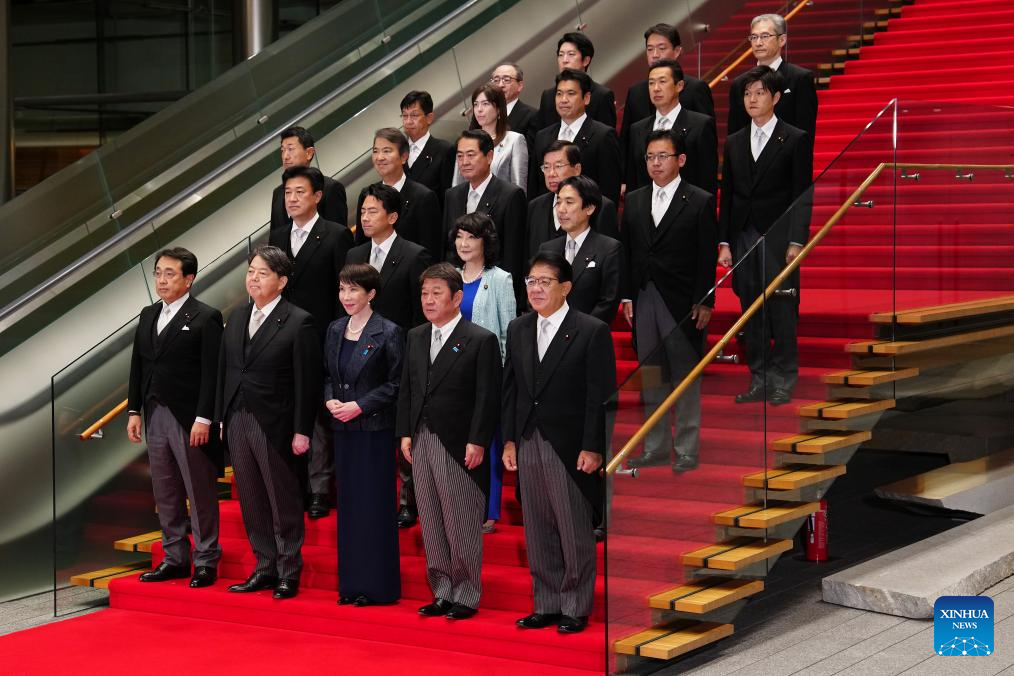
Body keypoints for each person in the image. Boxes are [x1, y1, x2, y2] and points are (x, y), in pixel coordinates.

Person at [503, 252, 616, 634]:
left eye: (544, 282)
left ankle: (575, 606)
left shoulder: (590, 330)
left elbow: (600, 396)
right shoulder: (518, 328)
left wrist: (593, 446)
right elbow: (511, 391)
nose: (535, 289)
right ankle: (546, 602)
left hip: (570, 445)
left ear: (566, 287)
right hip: (528, 439)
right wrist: (509, 440)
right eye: (531, 281)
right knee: (537, 528)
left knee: (572, 528)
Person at [396, 263, 502, 620]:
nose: (428, 300)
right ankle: (441, 589)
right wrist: (405, 432)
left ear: (457, 298)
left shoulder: (480, 339)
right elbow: (408, 388)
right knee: (430, 518)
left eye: (436, 293)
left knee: (460, 521)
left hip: (459, 442)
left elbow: (488, 396)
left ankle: (466, 593)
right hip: (421, 437)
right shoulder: (416, 336)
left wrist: (478, 440)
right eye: (424, 293)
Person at [216, 245, 322, 600]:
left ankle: (288, 570)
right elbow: (225, 371)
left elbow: (307, 383)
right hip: (237, 417)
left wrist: (302, 430)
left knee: (282, 498)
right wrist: (221, 416)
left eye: (262, 273)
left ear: (282, 281)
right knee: (251, 498)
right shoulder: (236, 317)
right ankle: (264, 566)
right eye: (251, 272)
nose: (254, 279)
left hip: (277, 422)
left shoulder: (299, 321)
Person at [622, 130, 717, 473]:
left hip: (683, 300)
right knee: (651, 376)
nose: (656, 163)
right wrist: (627, 295)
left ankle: (687, 449)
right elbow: (628, 250)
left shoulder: (699, 200)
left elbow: (706, 256)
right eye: (650, 157)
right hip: (644, 296)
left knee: (685, 376)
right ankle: (656, 447)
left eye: (663, 156)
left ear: (681, 160)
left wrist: (705, 300)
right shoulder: (635, 200)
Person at [127, 247, 222, 589]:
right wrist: (134, 410)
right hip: (155, 412)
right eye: (158, 273)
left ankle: (206, 560)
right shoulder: (148, 314)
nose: (162, 280)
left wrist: (205, 417)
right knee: (165, 489)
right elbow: (138, 365)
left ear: (189, 279)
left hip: (190, 417)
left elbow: (212, 374)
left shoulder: (205, 317)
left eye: (170, 274)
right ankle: (175, 558)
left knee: (199, 491)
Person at [719, 66, 812, 407]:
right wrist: (724, 242)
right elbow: (729, 195)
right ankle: (759, 378)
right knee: (751, 310)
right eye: (747, 94)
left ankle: (784, 379)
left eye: (759, 93)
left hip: (779, 236)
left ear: (775, 97)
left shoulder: (795, 138)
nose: (752, 99)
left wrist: (797, 240)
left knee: (782, 309)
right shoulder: (734, 141)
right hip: (744, 234)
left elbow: (802, 194)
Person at [268, 165, 354, 519]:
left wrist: (338, 337)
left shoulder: (335, 234)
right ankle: (294, 485)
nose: (292, 199)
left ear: (318, 196)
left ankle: (320, 488)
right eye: (288, 193)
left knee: (317, 413)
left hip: (321, 336)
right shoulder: (277, 236)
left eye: (300, 192)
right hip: (280, 339)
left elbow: (343, 292)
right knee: (286, 411)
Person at [347, 183, 433, 528]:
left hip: (399, 353)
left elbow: (419, 313)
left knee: (401, 429)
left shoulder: (414, 254)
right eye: (363, 212)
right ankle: (369, 495)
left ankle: (407, 500)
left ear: (393, 216)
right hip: (359, 355)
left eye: (373, 211)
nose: (365, 218)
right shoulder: (355, 254)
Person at [324, 263, 403, 607]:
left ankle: (377, 586)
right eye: (342, 289)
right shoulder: (335, 328)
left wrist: (360, 405)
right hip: (343, 430)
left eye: (354, 289)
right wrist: (330, 398)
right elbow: (328, 375)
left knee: (373, 507)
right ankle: (351, 584)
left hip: (373, 431)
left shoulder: (389, 331)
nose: (346, 296)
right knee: (350, 508)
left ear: (371, 293)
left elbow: (396, 384)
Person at [449, 213, 516, 533]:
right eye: (459, 236)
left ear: (485, 242)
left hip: (488, 374)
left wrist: (500, 374)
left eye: (471, 237)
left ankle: (488, 509)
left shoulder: (500, 279)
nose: (463, 243)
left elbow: (507, 333)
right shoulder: (449, 276)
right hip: (452, 374)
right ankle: (460, 505)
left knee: (486, 442)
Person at [443, 130, 527, 308]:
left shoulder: (510, 195)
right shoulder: (452, 195)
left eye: (471, 155)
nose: (464, 162)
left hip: (493, 292)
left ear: (489, 156)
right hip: (458, 288)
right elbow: (449, 248)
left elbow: (513, 254)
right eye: (460, 156)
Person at [619, 23, 715, 164]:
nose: (655, 55)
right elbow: (626, 142)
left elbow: (705, 140)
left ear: (677, 51)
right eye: (650, 49)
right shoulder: (636, 91)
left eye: (662, 48)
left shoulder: (695, 88)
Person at [625, 59, 717, 197]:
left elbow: (707, 180)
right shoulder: (637, 129)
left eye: (662, 82)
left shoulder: (700, 125)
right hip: (646, 206)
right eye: (651, 83)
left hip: (687, 205)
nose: (656, 88)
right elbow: (633, 181)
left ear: (679, 86)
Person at [539, 175, 622, 325]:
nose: (561, 210)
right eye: (559, 202)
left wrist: (580, 331)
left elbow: (608, 302)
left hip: (588, 333)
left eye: (569, 202)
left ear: (589, 208)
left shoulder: (609, 249)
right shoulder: (547, 249)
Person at [531, 69, 621, 204]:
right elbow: (535, 188)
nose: (563, 100)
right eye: (559, 94)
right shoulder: (542, 136)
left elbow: (609, 191)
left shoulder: (603, 135)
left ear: (586, 98)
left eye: (571, 93)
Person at [353, 127, 443, 260]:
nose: (379, 157)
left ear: (404, 157)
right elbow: (361, 242)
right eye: (375, 151)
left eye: (387, 151)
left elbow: (431, 250)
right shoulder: (367, 194)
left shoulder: (423, 197)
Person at [727, 14, 818, 140]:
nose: (758, 43)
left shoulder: (800, 79)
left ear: (782, 40)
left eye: (765, 36)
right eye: (754, 37)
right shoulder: (739, 83)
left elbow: (805, 133)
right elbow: (734, 135)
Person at [527, 140, 619, 258]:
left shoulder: (602, 206)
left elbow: (609, 254)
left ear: (577, 169)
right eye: (546, 167)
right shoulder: (535, 206)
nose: (551, 173)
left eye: (558, 166)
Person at [455, 84, 529, 194]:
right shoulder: (466, 141)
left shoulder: (515, 140)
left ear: (498, 109)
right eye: (476, 104)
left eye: (485, 104)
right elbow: (457, 185)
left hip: (502, 202)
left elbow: (519, 188)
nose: (479, 109)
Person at [270, 126, 348, 228]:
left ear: (309, 153)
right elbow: (274, 235)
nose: (285, 156)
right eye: (282, 150)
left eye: (290, 149)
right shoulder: (278, 193)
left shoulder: (330, 188)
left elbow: (339, 233)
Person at [535, 32, 616, 130]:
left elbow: (606, 135)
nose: (564, 60)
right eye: (561, 55)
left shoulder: (602, 95)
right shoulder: (548, 96)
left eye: (571, 54)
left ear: (586, 60)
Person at [401, 91, 455, 207]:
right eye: (404, 116)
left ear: (429, 118)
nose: (408, 121)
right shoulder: (398, 151)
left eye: (414, 115)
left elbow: (448, 197)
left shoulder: (444, 150)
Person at [488, 62, 538, 144]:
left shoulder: (532, 115)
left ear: (520, 86)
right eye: (496, 80)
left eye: (506, 80)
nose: (500, 85)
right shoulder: (483, 112)